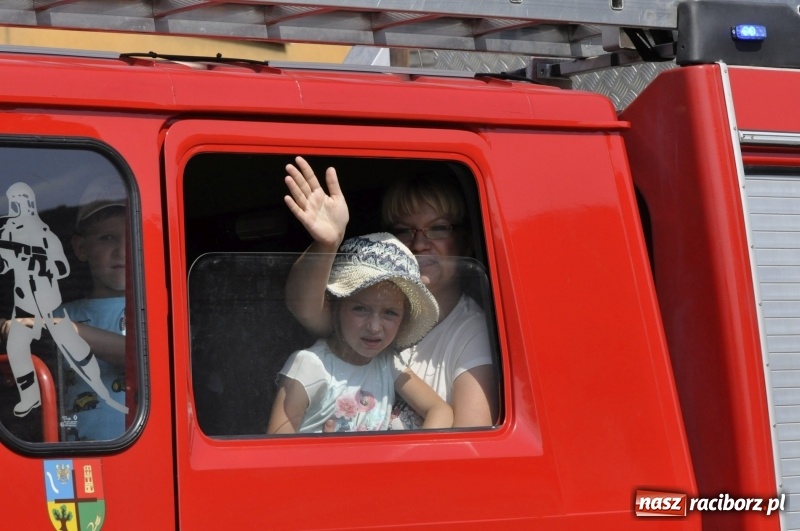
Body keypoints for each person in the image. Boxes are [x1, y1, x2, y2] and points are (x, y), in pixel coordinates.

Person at [283, 157, 497, 429]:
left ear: (466, 243)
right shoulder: (368, 309)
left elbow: (472, 438)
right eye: (404, 231)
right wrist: (327, 244)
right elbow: (303, 306)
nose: (419, 243)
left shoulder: (472, 332)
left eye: (438, 228)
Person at [267, 232, 453, 433]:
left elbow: (440, 410)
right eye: (360, 309)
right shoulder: (310, 364)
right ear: (336, 307)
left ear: (403, 319)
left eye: (390, 313)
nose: (374, 327)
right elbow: (276, 444)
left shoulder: (387, 363)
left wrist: (415, 450)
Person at [0, 178, 128, 440]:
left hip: (135, 451)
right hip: (72, 451)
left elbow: (141, 356)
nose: (122, 250)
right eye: (107, 238)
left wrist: (63, 329)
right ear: (81, 248)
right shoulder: (59, 314)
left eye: (134, 237)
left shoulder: (155, 311)